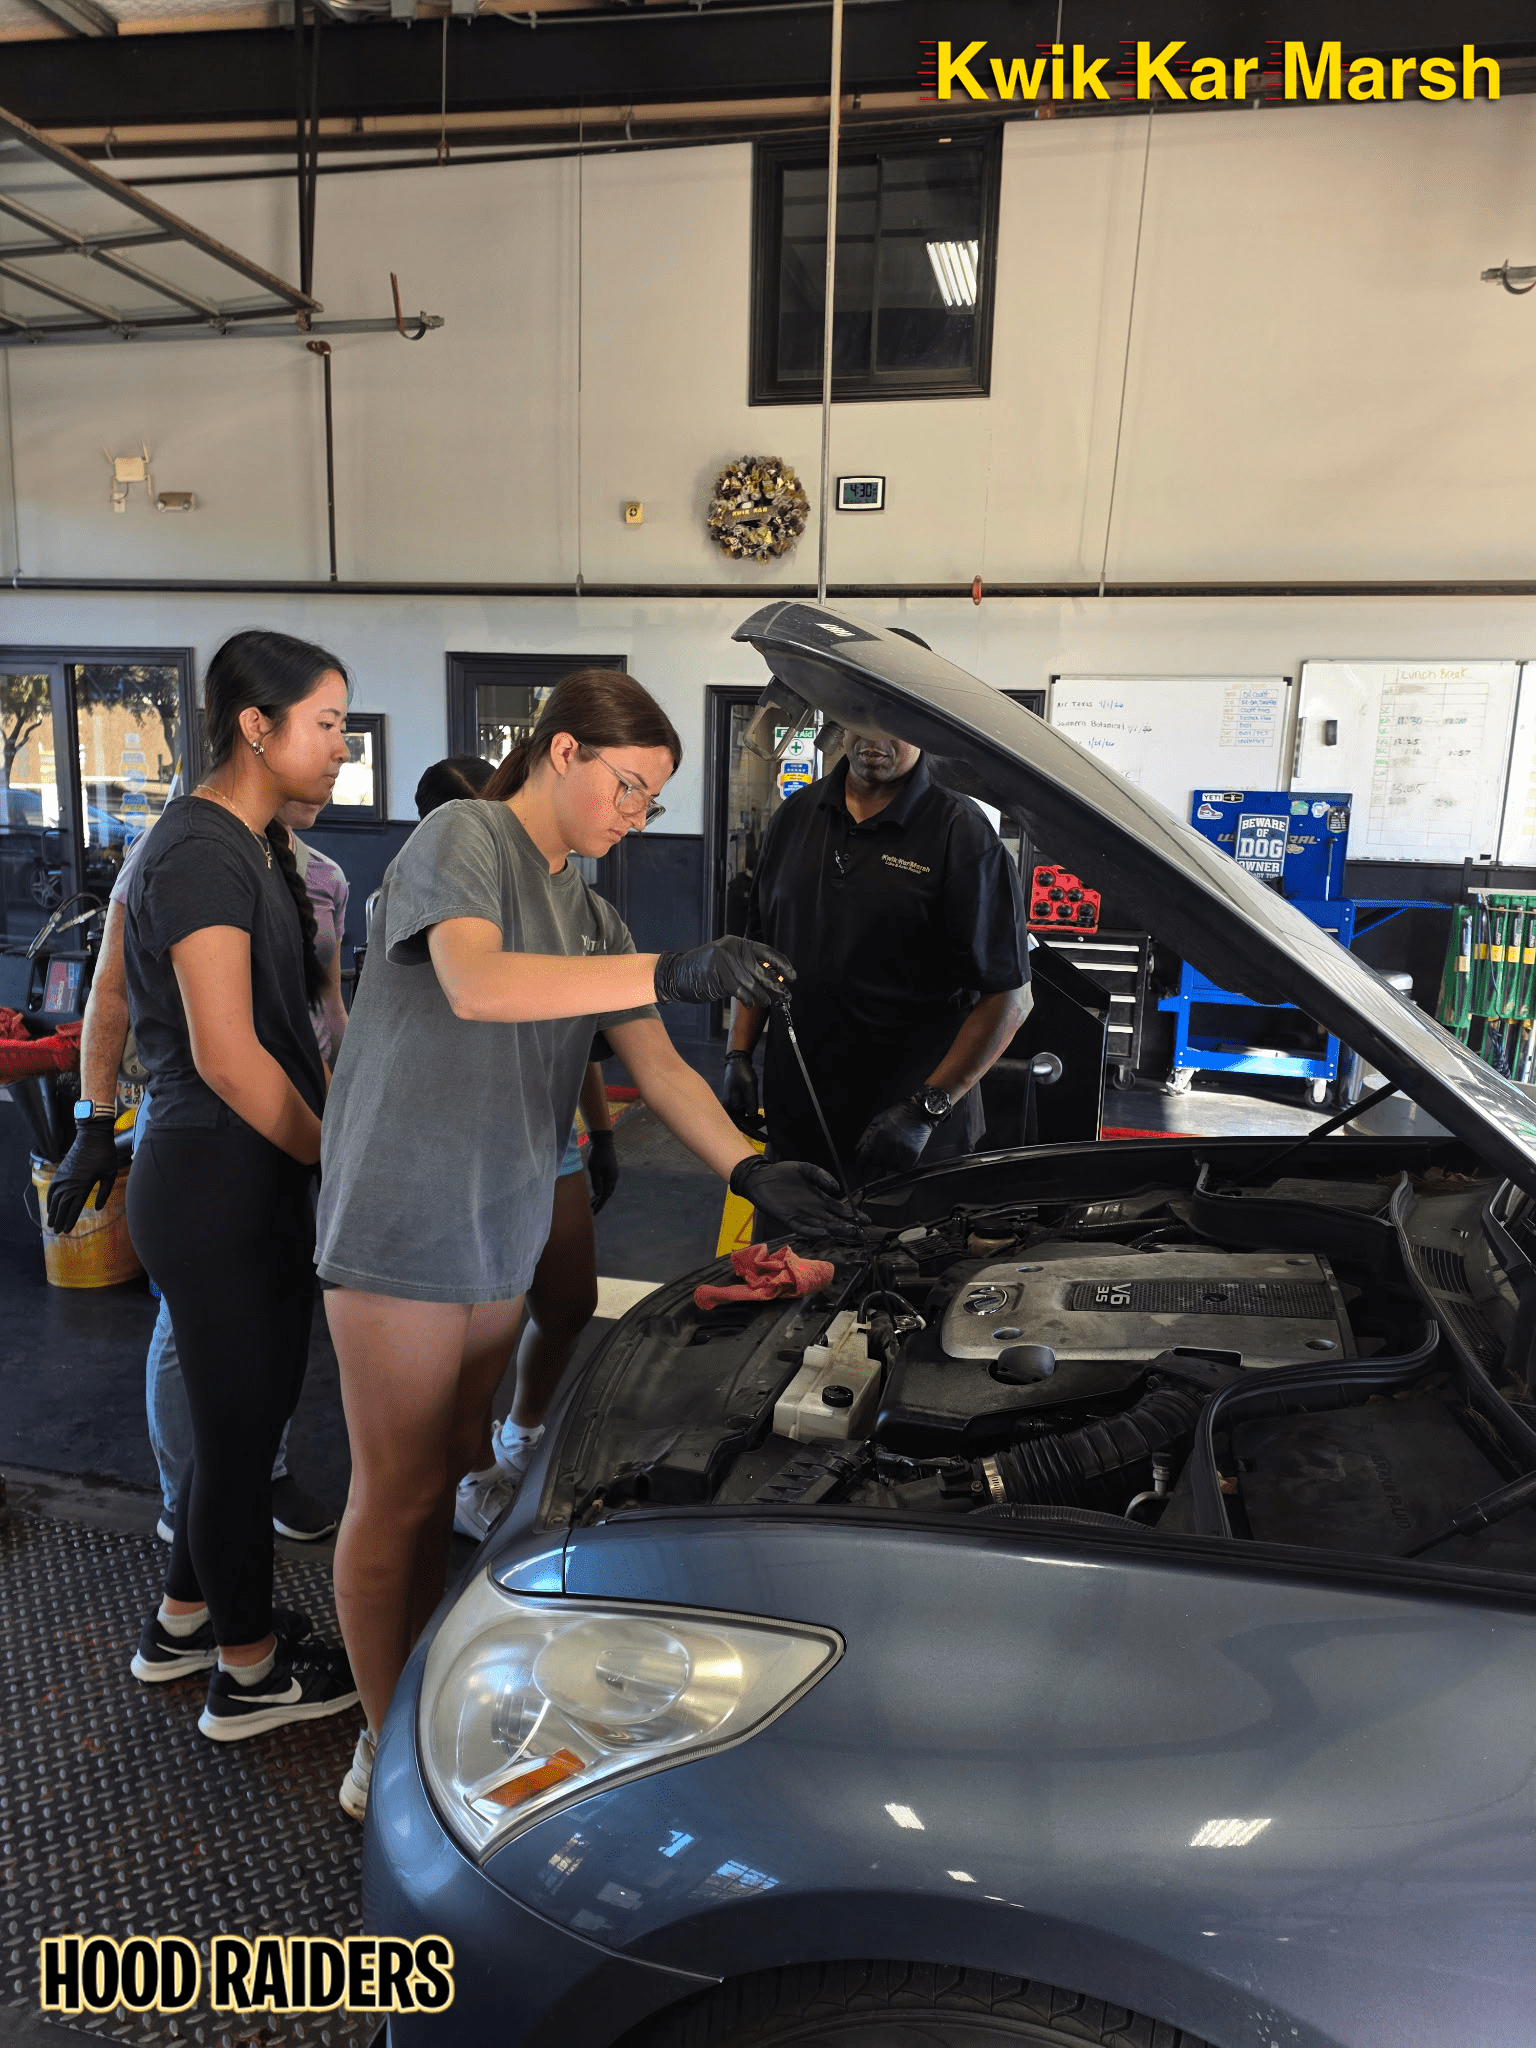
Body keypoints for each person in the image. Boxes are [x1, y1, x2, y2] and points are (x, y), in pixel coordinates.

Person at [315, 668, 862, 1820]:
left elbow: (656, 1062)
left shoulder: (596, 910)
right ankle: (383, 1745)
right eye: (628, 786)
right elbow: (475, 981)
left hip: (501, 1214)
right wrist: (675, 965)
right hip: (406, 1210)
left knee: (451, 1471)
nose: (636, 815)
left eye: (653, 801)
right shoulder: (464, 835)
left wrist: (751, 1167)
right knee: (398, 1492)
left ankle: (414, 1687)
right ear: (560, 751)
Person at [120, 629, 359, 1742]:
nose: (342, 748)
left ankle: (182, 1622)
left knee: (238, 1425)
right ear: (256, 727)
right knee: (235, 1440)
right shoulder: (203, 853)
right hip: (214, 1174)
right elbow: (227, 1051)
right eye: (327, 724)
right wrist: (331, 1153)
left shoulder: (260, 847)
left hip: (245, 1172)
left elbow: (293, 1023)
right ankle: (249, 1674)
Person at [47, 796, 349, 1546]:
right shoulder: (174, 852)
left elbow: (325, 1007)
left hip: (298, 1112)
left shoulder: (323, 876)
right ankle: (190, 1506)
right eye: (323, 728)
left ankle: (256, 1475)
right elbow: (112, 988)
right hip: (201, 1117)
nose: (338, 758)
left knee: (276, 1314)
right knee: (194, 1325)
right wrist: (92, 1119)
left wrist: (339, 1116)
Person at [407, 754, 623, 1543]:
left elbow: (589, 1036)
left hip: (545, 1136)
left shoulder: (574, 905)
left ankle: (520, 1438)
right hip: (460, 1155)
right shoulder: (439, 896)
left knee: (568, 1301)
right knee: (469, 1352)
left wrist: (601, 1133)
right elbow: (474, 990)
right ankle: (469, 1476)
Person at [723, 708, 1031, 1190]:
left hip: (910, 1136)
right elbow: (761, 955)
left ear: (925, 728)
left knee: (902, 1263)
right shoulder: (794, 816)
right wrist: (738, 1054)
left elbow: (1009, 999)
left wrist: (926, 1110)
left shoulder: (961, 832)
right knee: (791, 1264)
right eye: (859, 716)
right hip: (798, 1121)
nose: (875, 738)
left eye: (897, 722)